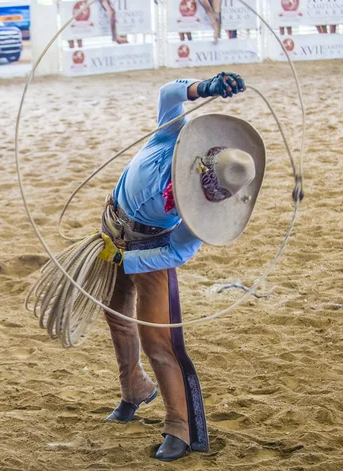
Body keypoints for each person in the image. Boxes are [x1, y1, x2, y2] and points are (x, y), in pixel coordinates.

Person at [97, 72, 265, 462]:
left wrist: (132, 258)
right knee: (114, 313)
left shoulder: (198, 216)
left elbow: (176, 252)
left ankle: (180, 426)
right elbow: (169, 92)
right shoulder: (169, 136)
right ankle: (133, 389)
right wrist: (204, 87)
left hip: (149, 253)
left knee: (160, 341)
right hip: (113, 230)